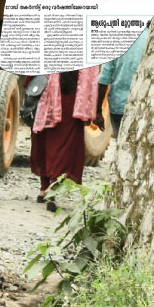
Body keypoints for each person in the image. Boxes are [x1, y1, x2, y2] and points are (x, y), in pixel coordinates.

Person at [27, 67, 99, 212]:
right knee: (64, 142)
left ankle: (44, 187)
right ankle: (52, 187)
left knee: (44, 138)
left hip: (46, 92)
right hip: (72, 96)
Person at [96, 25, 149, 137]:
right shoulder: (150, 38)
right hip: (143, 106)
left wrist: (98, 111)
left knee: (122, 144)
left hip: (118, 106)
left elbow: (103, 79)